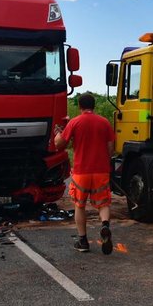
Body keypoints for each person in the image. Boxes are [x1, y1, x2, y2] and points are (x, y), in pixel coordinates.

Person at [53, 93, 116, 254]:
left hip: (82, 171)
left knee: (79, 205)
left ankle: (82, 241)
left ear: (80, 106)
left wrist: (57, 134)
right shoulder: (104, 122)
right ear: (94, 105)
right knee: (103, 204)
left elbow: (60, 144)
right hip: (101, 170)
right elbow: (111, 149)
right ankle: (105, 225)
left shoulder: (75, 122)